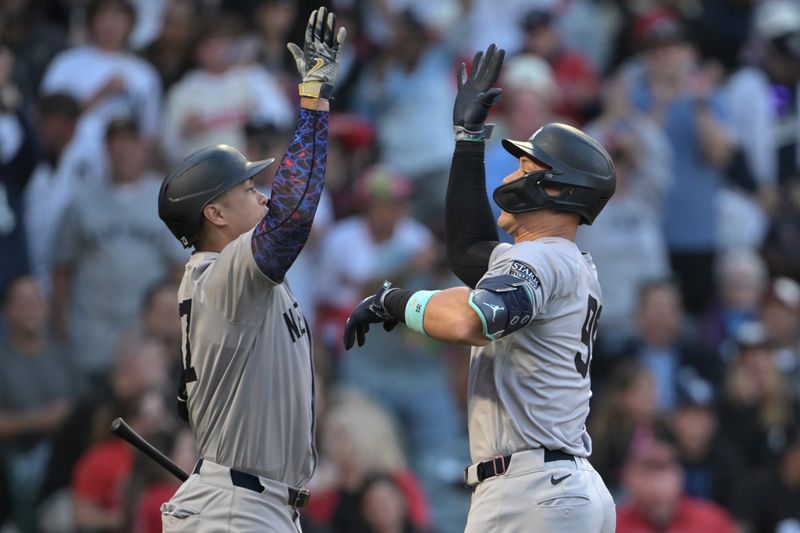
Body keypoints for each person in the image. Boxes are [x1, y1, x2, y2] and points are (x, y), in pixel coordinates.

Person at [343, 44, 616, 532]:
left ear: (556, 188)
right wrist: (468, 140)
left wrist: (395, 301)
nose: (511, 175)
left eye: (526, 169)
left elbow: (474, 319)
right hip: (556, 484)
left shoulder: (543, 257)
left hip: (532, 491)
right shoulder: (562, 260)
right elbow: (468, 250)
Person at [156, 7, 345, 531]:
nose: (262, 195)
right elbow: (294, 214)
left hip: (253, 502)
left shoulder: (228, 280)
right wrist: (313, 101)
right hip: (238, 509)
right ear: (213, 213)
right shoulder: (221, 273)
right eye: (248, 189)